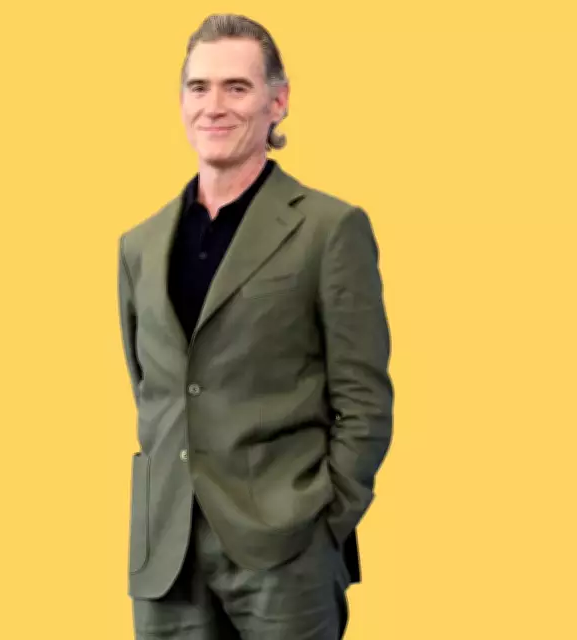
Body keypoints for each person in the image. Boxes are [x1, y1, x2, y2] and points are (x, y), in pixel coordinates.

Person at [118, 13, 394, 639]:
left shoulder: (329, 229)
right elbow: (152, 391)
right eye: (199, 87)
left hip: (286, 552)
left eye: (236, 87)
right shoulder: (139, 245)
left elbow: (365, 399)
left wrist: (323, 522)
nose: (214, 105)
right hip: (166, 553)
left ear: (278, 101)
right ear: (182, 101)